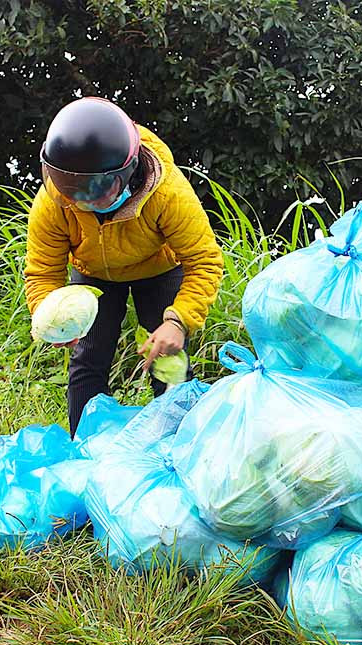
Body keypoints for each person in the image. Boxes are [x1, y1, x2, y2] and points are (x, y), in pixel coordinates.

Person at [25, 97, 224, 435]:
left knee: (168, 360)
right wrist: (53, 319)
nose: (81, 201)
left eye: (95, 188)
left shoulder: (168, 193)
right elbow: (43, 270)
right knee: (87, 359)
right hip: (92, 274)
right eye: (70, 187)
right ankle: (84, 448)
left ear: (127, 172)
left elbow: (204, 260)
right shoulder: (57, 200)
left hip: (157, 270)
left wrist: (179, 321)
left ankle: (178, 447)